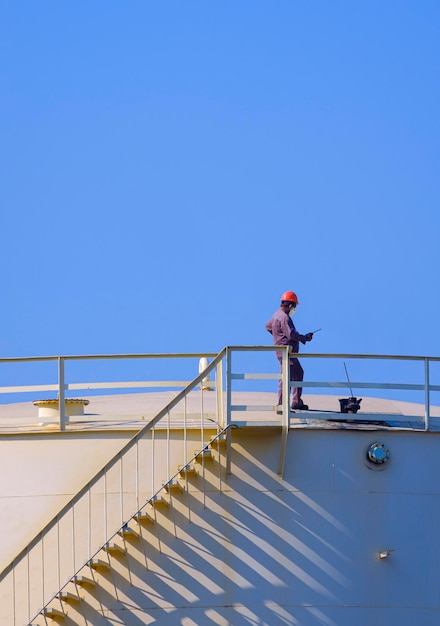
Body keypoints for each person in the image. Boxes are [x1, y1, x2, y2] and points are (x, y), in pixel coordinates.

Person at [265, 291, 313, 410]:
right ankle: (282, 405)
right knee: (286, 377)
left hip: (283, 352)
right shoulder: (285, 317)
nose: (294, 309)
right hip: (287, 353)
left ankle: (296, 401)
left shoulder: (276, 314)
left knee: (297, 373)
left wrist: (278, 337)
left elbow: (268, 326)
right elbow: (291, 334)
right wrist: (304, 338)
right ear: (291, 305)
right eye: (295, 306)